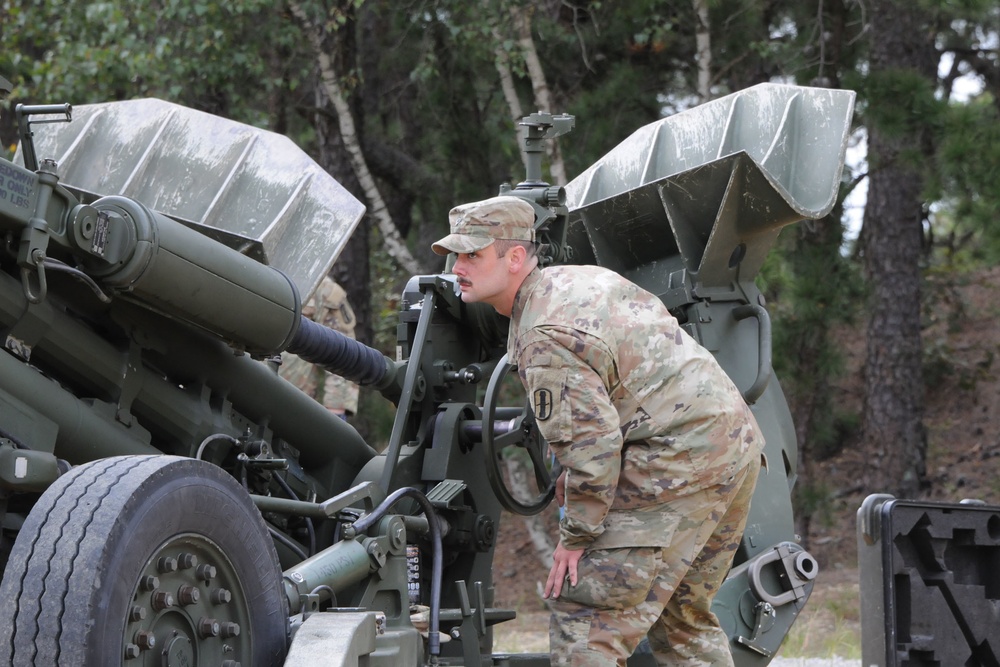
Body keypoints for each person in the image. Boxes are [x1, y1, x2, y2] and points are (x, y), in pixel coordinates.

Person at [431, 195, 765, 666]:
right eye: (455, 255)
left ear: (515, 258)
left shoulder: (542, 332)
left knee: (585, 620)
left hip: (675, 460)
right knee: (683, 620)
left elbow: (593, 448)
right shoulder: (577, 281)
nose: (458, 267)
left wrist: (577, 536)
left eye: (472, 255)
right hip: (733, 448)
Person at [280, 276, 360, 419]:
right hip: (240, 394)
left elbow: (342, 352)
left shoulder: (322, 287)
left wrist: (335, 408)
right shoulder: (245, 269)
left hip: (294, 406)